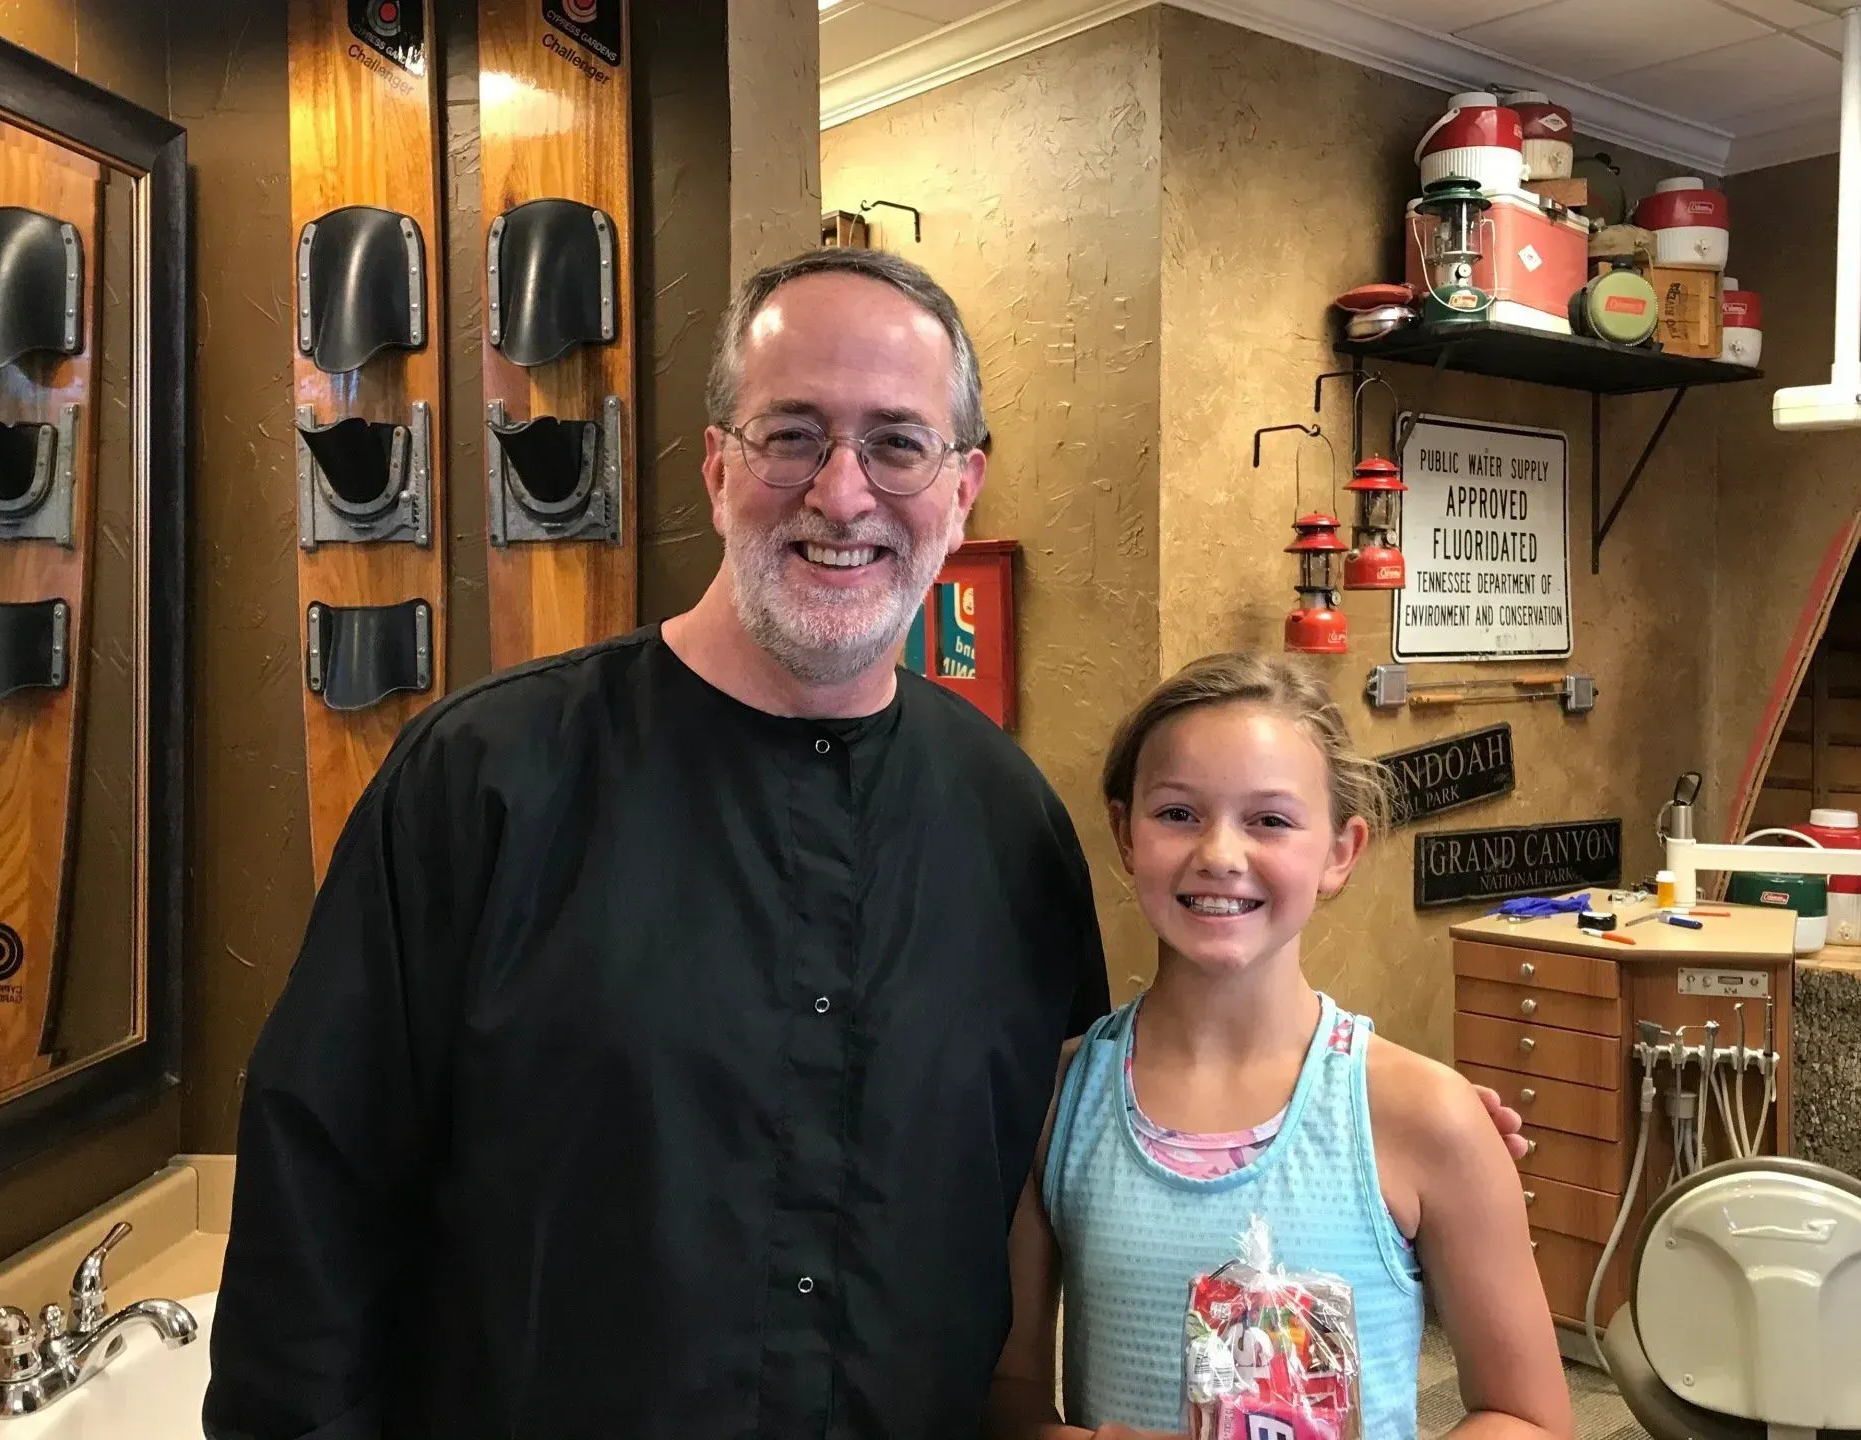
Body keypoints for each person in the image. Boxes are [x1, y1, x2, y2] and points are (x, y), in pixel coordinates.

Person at [203, 248, 1526, 1440]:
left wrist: (1394, 1125)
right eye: (794, 435)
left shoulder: (1009, 826)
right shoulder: (484, 786)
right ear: (718, 465)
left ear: (961, 487)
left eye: (897, 443)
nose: (843, 492)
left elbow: (1081, 1136)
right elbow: (315, 1217)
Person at [985, 654, 1573, 1440]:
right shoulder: (1058, 1104)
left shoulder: (1423, 1114)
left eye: (1270, 820)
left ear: (1340, 850)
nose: (1221, 855)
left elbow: (1528, 1415)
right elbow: (1007, 1396)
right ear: (1125, 833)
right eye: (1178, 814)